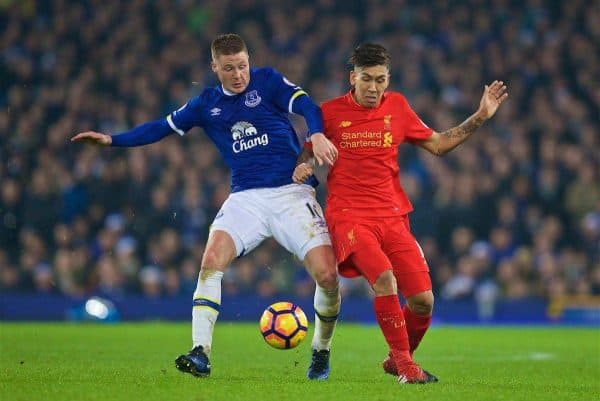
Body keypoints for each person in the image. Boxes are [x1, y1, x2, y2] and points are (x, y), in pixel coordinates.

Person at [71, 33, 341, 380]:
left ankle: (320, 351)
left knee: (328, 275)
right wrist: (112, 141)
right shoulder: (205, 105)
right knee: (211, 260)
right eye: (229, 68)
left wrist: (315, 134)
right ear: (215, 68)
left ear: (249, 61)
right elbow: (160, 128)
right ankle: (201, 352)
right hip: (245, 198)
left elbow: (307, 106)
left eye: (242, 66)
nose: (239, 74)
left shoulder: (268, 81)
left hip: (291, 193)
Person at [293, 43, 508, 384]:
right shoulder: (330, 113)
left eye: (380, 80)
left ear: (388, 80)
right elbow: (305, 154)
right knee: (384, 278)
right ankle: (407, 368)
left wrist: (480, 116)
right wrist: (304, 166)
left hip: (393, 217)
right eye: (366, 79)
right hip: (349, 217)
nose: (374, 88)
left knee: (423, 301)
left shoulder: (398, 107)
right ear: (353, 78)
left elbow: (438, 144)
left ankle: (397, 360)